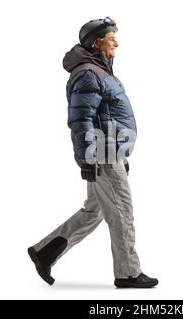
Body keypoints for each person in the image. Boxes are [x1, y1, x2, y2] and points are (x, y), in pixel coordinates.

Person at [27, 17, 158, 289]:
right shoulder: (89, 73)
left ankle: (44, 252)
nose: (117, 44)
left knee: (94, 211)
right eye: (112, 39)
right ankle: (129, 273)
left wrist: (120, 153)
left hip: (110, 153)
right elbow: (81, 120)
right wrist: (87, 158)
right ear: (97, 42)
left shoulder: (99, 70)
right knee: (121, 212)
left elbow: (104, 115)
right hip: (102, 155)